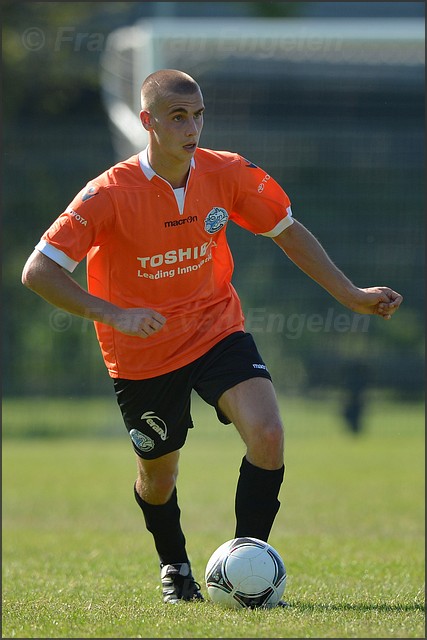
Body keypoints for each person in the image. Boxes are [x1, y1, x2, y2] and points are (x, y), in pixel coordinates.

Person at [21, 69, 403, 606]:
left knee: (268, 434)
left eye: (198, 114)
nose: (192, 127)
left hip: (214, 327)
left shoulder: (227, 173)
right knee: (158, 476)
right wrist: (112, 314)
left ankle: (248, 567)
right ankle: (174, 566)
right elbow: (38, 271)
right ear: (147, 122)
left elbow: (286, 229)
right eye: (179, 116)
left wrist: (349, 293)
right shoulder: (107, 194)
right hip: (141, 351)